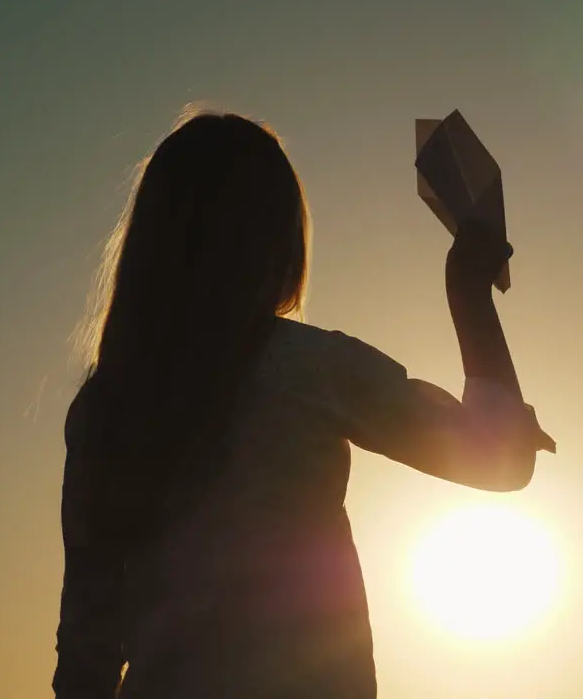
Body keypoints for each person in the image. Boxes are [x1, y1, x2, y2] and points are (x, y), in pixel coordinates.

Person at [53, 110, 554, 699]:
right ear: (279, 243)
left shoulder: (106, 406)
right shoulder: (305, 369)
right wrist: (468, 292)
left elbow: (86, 651)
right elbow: (498, 461)